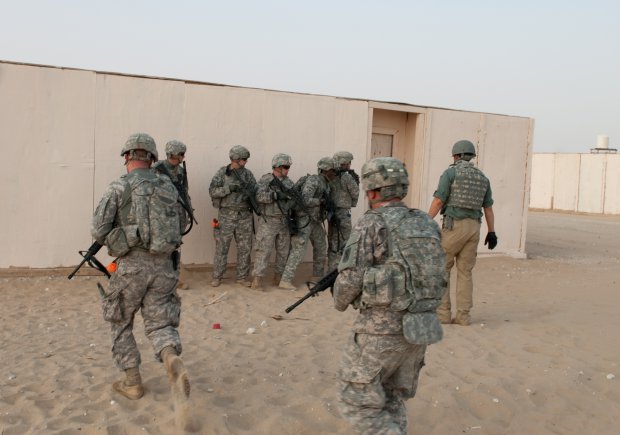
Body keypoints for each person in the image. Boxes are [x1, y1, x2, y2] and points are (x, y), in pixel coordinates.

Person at [333, 156, 445, 434]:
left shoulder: (371, 223)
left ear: (371, 191)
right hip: (420, 328)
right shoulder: (425, 223)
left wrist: (339, 296)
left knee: (356, 400)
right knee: (392, 397)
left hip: (381, 332)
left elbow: (348, 283)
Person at [91, 133, 190, 404]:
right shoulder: (169, 187)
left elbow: (98, 230)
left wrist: (123, 235)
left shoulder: (119, 186)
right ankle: (170, 357)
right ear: (153, 158)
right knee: (159, 323)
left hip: (132, 267)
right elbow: (181, 225)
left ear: (126, 156)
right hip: (166, 266)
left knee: (120, 320)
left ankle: (132, 382)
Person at [427, 139, 497, 326]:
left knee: (443, 269)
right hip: (474, 227)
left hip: (453, 227)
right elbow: (488, 209)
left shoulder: (450, 173)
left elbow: (439, 201)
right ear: (471, 156)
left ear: (456, 155)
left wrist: (426, 220)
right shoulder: (483, 178)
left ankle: (443, 315)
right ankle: (463, 316)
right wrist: (492, 232)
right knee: (465, 272)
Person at [278, 157, 337, 290]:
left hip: (315, 220)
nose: (334, 173)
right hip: (305, 219)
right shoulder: (314, 180)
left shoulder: (326, 183)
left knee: (321, 245)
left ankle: (317, 275)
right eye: (332, 170)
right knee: (299, 249)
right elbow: (304, 200)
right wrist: (319, 201)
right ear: (323, 170)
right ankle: (285, 280)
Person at [208, 145, 258, 287]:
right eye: (244, 159)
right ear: (236, 159)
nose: (246, 161)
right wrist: (228, 189)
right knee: (222, 247)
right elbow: (212, 191)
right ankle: (217, 276)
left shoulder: (248, 174)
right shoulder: (222, 173)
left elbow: (255, 191)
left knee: (245, 247)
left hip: (244, 215)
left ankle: (242, 277)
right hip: (226, 215)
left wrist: (252, 194)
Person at [251, 153, 296, 290]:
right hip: (269, 221)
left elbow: (293, 199)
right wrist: (275, 195)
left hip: (284, 221)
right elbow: (258, 196)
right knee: (263, 251)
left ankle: (279, 278)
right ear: (277, 167)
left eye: (288, 167)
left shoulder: (288, 182)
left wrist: (291, 203)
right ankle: (257, 281)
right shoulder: (266, 180)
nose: (288, 169)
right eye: (286, 167)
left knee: (283, 252)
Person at [153, 140, 193, 290]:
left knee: (176, 245)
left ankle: (175, 278)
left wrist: (188, 210)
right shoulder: (157, 170)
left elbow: (185, 191)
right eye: (181, 154)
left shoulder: (181, 171)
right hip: (162, 215)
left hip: (178, 213)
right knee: (162, 246)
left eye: (183, 154)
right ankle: (160, 279)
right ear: (172, 154)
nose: (183, 158)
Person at [327, 151, 360, 270]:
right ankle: (343, 268)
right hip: (343, 213)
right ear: (344, 163)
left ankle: (331, 268)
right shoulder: (347, 177)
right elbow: (355, 192)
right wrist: (352, 203)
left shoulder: (329, 175)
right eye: (348, 162)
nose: (350, 165)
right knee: (346, 240)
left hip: (331, 212)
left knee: (333, 240)